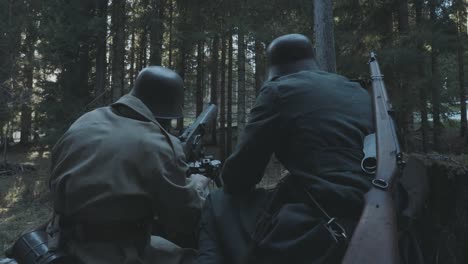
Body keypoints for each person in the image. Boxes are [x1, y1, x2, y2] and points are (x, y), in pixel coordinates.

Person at [195, 34, 374, 264]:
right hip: (372, 207)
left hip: (319, 221)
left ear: (276, 68)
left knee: (217, 202)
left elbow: (238, 178)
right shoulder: (358, 91)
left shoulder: (278, 92)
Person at [48, 66, 210, 264]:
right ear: (167, 110)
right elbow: (185, 219)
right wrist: (198, 185)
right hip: (112, 254)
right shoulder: (159, 144)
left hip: (59, 242)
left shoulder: (86, 120)